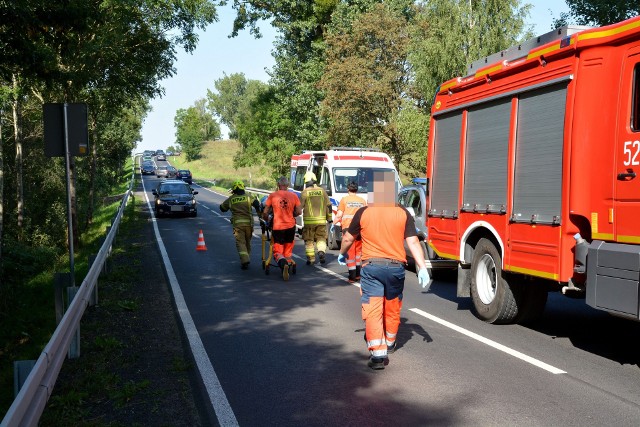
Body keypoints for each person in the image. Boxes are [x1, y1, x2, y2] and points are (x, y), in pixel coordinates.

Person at [338, 171, 431, 370]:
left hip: (372, 267)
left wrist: (342, 253)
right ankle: (390, 343)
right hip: (396, 268)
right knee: (392, 306)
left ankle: (378, 355)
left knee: (373, 309)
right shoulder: (402, 213)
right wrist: (422, 267)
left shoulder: (364, 212)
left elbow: (347, 238)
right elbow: (413, 241)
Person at [262, 176, 302, 281]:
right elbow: (299, 212)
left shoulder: (273, 196)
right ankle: (287, 263)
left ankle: (283, 264)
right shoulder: (294, 196)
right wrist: (292, 214)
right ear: (288, 185)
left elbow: (266, 212)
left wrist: (266, 219)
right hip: (290, 226)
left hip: (278, 227)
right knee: (288, 249)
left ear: (278, 185)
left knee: (277, 250)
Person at [219, 180, 262, 270]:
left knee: (240, 243)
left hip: (238, 226)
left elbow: (222, 208)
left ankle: (245, 260)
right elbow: (257, 204)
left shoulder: (231, 199)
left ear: (234, 190)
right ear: (243, 188)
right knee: (247, 243)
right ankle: (245, 259)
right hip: (249, 225)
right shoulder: (248, 197)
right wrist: (260, 215)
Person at [334, 181, 367, 282]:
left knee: (350, 252)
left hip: (348, 229)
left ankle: (352, 276)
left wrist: (333, 223)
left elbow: (339, 214)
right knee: (358, 253)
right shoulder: (362, 201)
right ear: (357, 189)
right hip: (360, 229)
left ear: (348, 189)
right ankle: (358, 275)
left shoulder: (344, 200)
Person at [300, 171, 332, 265]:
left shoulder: (305, 192)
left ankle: (311, 259)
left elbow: (299, 207)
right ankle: (321, 251)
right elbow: (329, 206)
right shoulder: (322, 191)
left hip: (309, 223)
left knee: (309, 241)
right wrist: (329, 218)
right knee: (321, 238)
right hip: (321, 221)